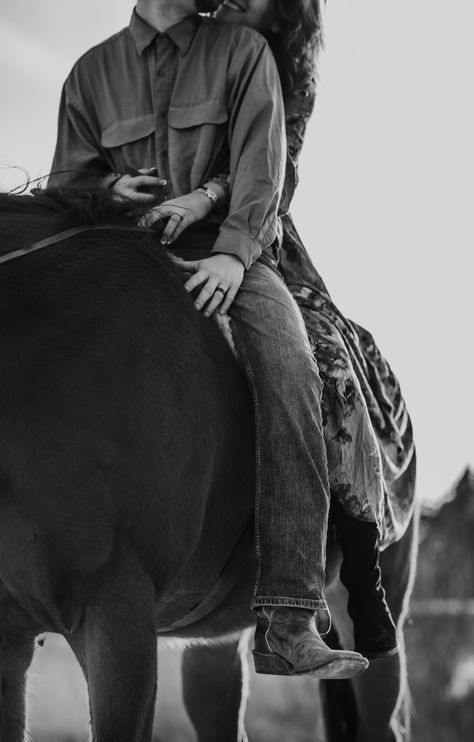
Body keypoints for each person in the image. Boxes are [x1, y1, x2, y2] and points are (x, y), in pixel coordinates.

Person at [49, 0, 368, 678]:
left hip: (225, 253)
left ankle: (287, 614)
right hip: (117, 253)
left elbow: (263, 163)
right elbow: (65, 187)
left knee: (291, 362)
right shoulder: (89, 74)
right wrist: (108, 187)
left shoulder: (244, 54)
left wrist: (234, 251)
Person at [139, 0, 416, 659]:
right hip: (156, 214)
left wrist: (204, 198)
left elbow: (271, 169)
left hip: (254, 236)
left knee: (329, 365)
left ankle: (356, 567)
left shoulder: (285, 76)